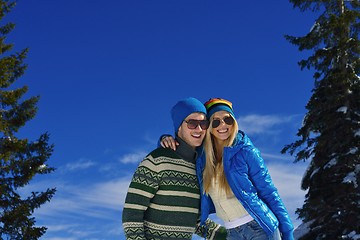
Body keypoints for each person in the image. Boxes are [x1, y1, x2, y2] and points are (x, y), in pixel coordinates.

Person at [160, 98, 294, 240]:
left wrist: (288, 232)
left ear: (234, 122)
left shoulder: (246, 151)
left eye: (227, 119)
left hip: (259, 227)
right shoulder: (202, 157)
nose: (222, 125)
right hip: (232, 232)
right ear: (209, 126)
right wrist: (164, 139)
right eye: (216, 121)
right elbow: (179, 150)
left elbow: (269, 193)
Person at [122, 97, 227, 240]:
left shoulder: (198, 167)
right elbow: (132, 212)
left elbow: (193, 220)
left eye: (203, 123)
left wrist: (231, 235)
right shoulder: (157, 160)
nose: (199, 129)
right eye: (192, 123)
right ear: (179, 127)